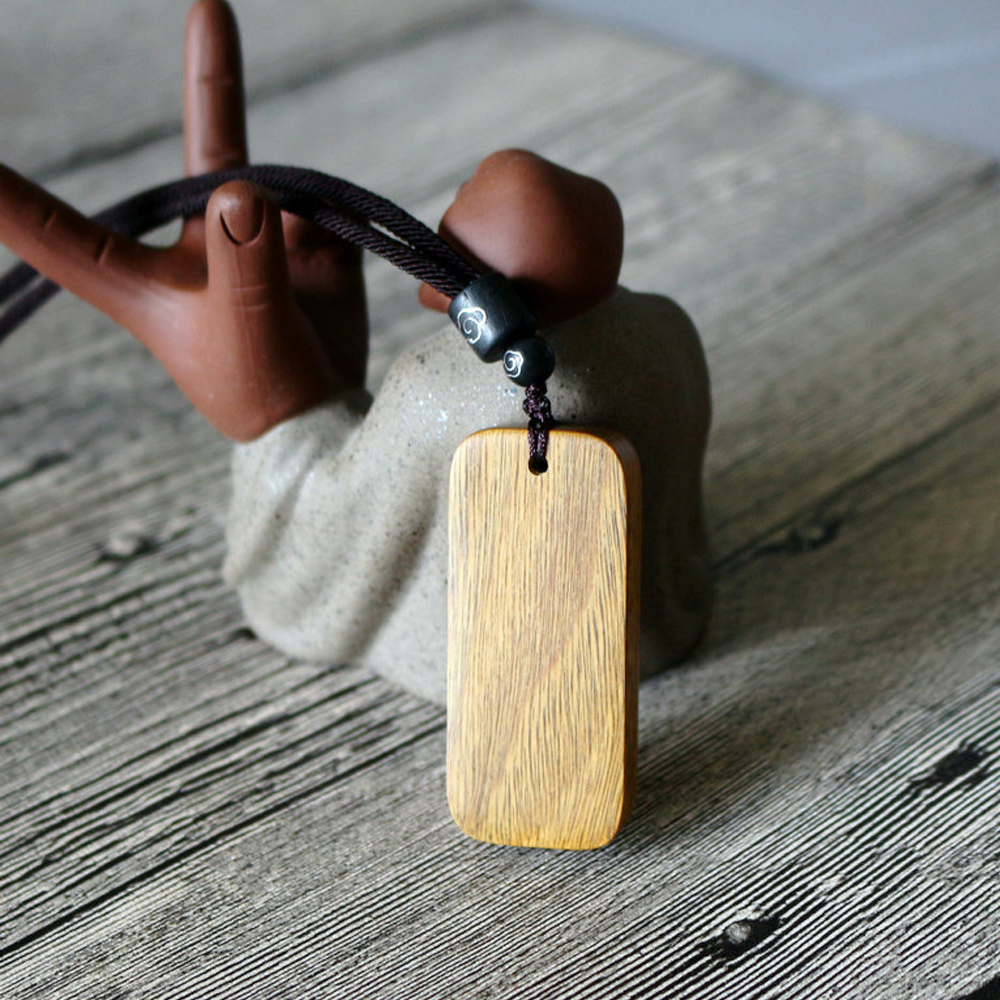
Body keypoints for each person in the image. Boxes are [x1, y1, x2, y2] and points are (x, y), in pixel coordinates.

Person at [0, 0, 712, 704]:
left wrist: (285, 417)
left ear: (483, 288)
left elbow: (334, 568)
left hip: (477, 674)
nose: (444, 212)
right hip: (667, 626)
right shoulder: (666, 331)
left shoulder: (437, 390)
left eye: (463, 199)